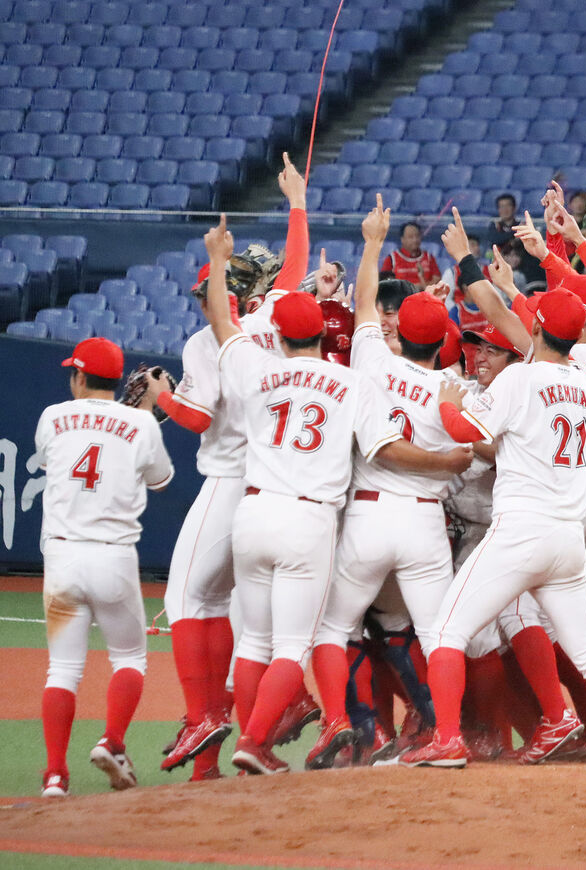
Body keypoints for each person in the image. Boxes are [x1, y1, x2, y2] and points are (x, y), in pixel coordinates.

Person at [399, 213, 586, 774]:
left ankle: (448, 739)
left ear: (541, 328)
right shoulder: (584, 381)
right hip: (570, 538)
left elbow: (466, 433)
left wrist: (450, 400)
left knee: (448, 629)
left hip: (522, 531)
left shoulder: (521, 378)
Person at [196, 215, 463, 775]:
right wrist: (448, 461)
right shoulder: (354, 380)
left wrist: (219, 261)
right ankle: (260, 742)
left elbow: (222, 323)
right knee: (302, 644)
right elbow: (385, 445)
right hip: (316, 521)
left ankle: (266, 737)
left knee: (260, 644)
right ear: (322, 332)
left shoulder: (259, 369)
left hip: (254, 511)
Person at [149, 154, 312, 781]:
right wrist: (297, 204)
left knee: (186, 596)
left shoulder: (211, 340)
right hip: (278, 479)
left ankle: (202, 714)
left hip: (229, 480)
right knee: (242, 614)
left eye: (207, 289)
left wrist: (160, 394)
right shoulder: (277, 318)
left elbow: (192, 418)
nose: (201, 299)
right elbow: (293, 270)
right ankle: (261, 723)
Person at [305, 196, 473, 770]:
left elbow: (368, 300)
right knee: (439, 634)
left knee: (332, 626)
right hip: (426, 522)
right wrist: (450, 459)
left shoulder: (370, 355)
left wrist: (373, 242)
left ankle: (353, 730)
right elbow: (475, 446)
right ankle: (447, 735)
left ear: (401, 330)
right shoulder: (454, 386)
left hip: (368, 515)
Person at [37, 337, 174, 797]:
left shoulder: (52, 417)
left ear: (79, 376)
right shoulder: (141, 423)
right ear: (120, 381)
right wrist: (149, 416)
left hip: (61, 558)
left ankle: (56, 774)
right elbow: (161, 482)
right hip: (113, 557)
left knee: (62, 670)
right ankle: (112, 741)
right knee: (130, 657)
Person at [381, 221, 441, 286]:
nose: (415, 240)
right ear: (402, 239)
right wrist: (415, 287)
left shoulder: (429, 257)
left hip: (424, 294)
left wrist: (422, 286)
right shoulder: (392, 259)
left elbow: (437, 280)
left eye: (417, 236)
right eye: (410, 237)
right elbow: (385, 283)